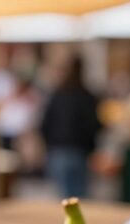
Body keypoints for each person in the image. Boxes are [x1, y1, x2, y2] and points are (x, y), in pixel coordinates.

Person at [40, 57, 101, 199]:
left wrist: (48, 146)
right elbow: (94, 125)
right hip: (79, 152)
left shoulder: (57, 95)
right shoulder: (87, 96)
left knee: (62, 198)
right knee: (79, 199)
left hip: (57, 151)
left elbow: (44, 124)